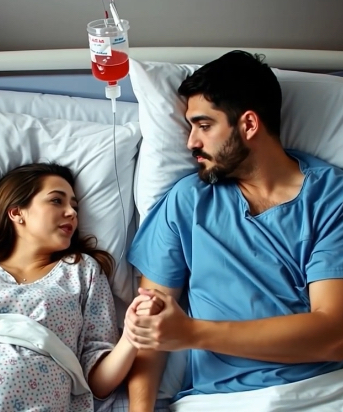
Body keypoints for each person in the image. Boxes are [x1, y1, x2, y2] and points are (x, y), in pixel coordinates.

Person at [124, 50, 343, 411]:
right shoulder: (187, 201)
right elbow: (151, 328)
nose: (191, 142)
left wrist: (192, 333)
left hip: (321, 392)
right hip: (222, 401)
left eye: (204, 125)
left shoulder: (330, 198)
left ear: (249, 124)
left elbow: (334, 335)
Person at [0, 162, 156, 412]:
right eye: (56, 201)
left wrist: (131, 337)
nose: (72, 213)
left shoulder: (82, 271)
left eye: (75, 207)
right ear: (16, 212)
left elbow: (98, 383)